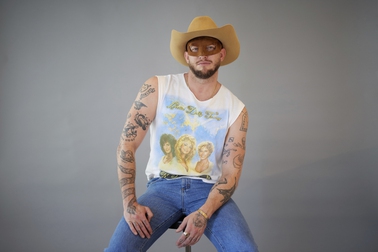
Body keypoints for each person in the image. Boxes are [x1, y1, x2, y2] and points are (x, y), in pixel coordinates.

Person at [105, 16, 259, 251]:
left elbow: (230, 173)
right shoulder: (158, 87)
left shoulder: (236, 109)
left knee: (245, 249)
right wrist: (129, 204)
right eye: (195, 48)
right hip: (161, 189)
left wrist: (205, 213)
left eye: (211, 47)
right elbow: (127, 144)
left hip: (208, 192)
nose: (203, 54)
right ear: (187, 56)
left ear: (222, 54)